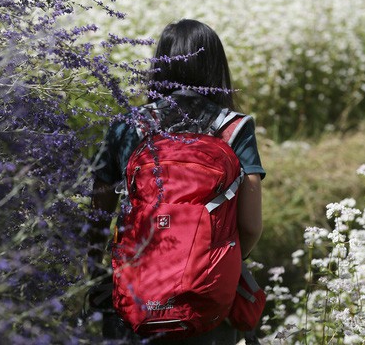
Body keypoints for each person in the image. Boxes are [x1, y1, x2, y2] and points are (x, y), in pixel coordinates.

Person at [88, 19, 265, 344]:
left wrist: (96, 273)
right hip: (211, 303)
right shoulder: (235, 128)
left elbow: (98, 218)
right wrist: (223, 262)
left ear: (161, 65)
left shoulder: (126, 126)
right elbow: (251, 225)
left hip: (138, 297)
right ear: (215, 66)